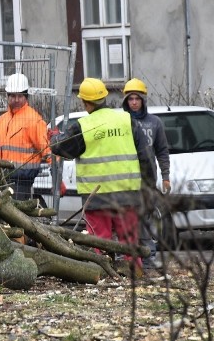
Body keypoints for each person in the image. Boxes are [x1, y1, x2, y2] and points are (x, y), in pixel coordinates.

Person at [49, 77, 148, 272]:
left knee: (100, 240)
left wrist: (54, 138)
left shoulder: (83, 126)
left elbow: (62, 148)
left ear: (85, 102)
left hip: (97, 196)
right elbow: (145, 155)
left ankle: (104, 272)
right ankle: (135, 271)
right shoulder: (127, 120)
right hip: (127, 193)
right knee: (129, 238)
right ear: (104, 97)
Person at [121, 78, 170, 269]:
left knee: (144, 221)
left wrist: (165, 176)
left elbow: (162, 151)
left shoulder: (155, 123)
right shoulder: (121, 122)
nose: (134, 102)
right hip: (125, 180)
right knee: (125, 221)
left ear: (143, 100)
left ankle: (148, 260)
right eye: (130, 99)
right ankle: (127, 260)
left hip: (147, 181)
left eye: (137, 98)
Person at [0, 73, 50, 201]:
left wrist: (57, 179)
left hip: (22, 182)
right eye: (13, 95)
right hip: (1, 179)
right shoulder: (1, 120)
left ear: (26, 96)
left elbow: (46, 150)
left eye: (20, 96)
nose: (17, 99)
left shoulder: (34, 120)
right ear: (7, 96)